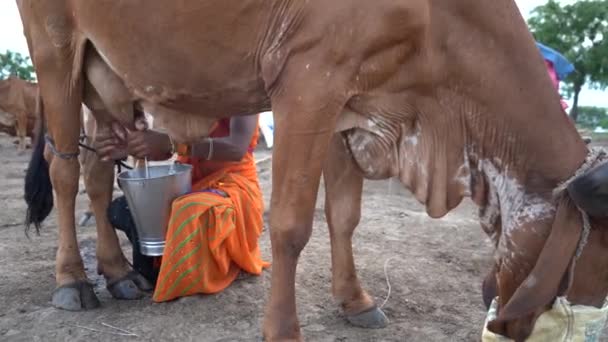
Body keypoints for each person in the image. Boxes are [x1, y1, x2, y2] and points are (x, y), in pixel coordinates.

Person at [96, 114, 269, 302]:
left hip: (233, 184)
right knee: (125, 208)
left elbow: (236, 148)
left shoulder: (241, 91)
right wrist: (131, 146)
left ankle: (197, 272)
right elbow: (165, 149)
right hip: (190, 183)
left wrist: (172, 144)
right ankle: (157, 271)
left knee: (191, 209)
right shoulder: (182, 96)